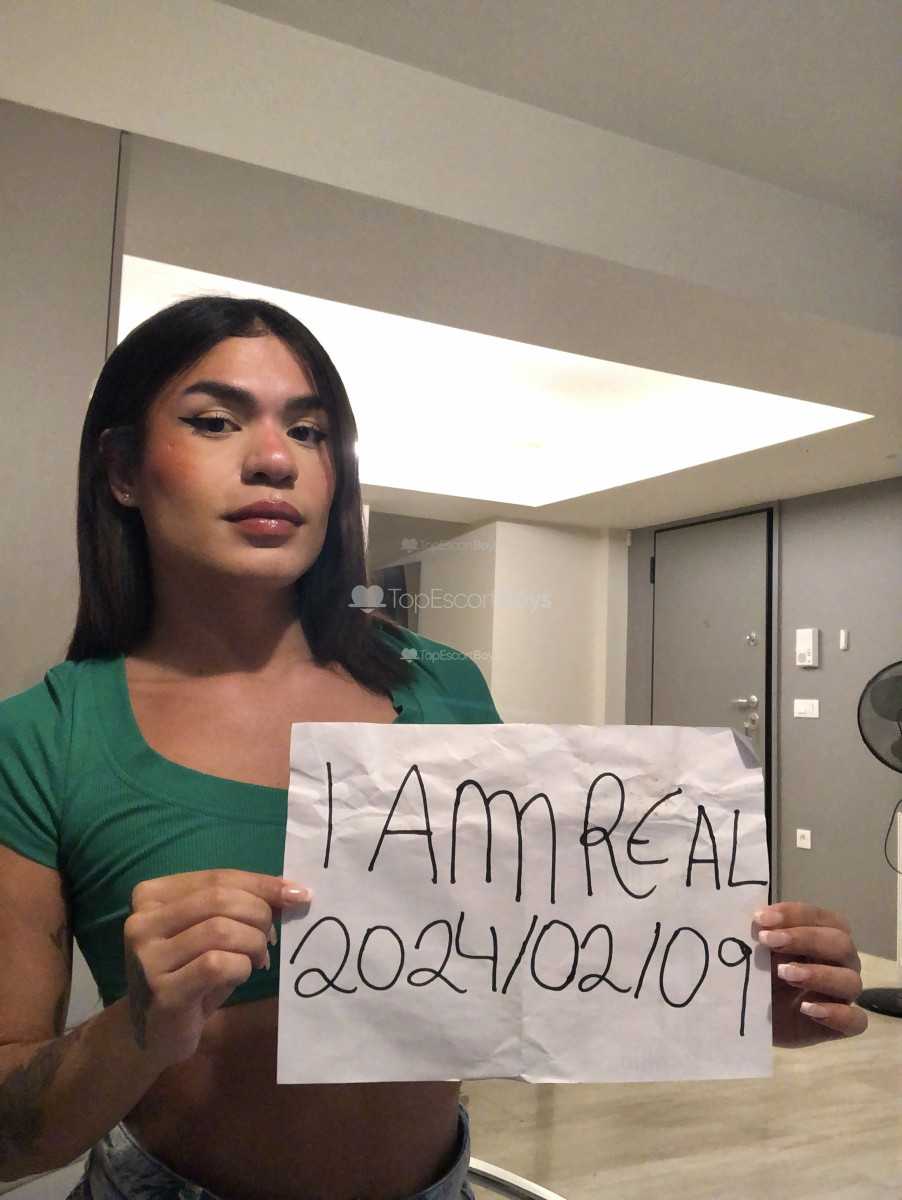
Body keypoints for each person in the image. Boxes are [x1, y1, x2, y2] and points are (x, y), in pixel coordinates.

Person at [0, 297, 867, 1200]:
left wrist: (724, 987)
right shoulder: (42, 740)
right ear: (122, 469)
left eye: (309, 430)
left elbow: (526, 963)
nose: (274, 459)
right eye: (215, 421)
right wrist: (132, 1030)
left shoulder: (441, 684)